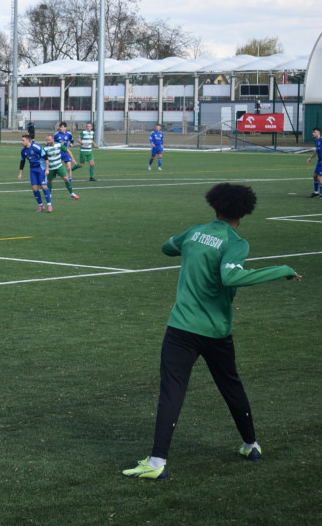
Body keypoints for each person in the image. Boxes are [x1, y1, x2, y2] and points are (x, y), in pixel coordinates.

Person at [123, 183, 301, 481]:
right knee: (231, 386)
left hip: (181, 327)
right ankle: (251, 446)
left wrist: (191, 246)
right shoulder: (236, 242)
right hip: (217, 330)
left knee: (172, 391)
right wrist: (283, 270)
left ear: (215, 207)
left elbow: (168, 247)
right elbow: (231, 276)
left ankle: (157, 462)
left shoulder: (195, 232)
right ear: (243, 213)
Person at [18, 133, 52, 212]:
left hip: (41, 168)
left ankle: (49, 205)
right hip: (33, 169)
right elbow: (22, 162)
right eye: (21, 140)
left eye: (23, 140)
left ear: (28, 140)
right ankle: (41, 206)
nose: (21, 142)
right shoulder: (23, 151)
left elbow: (46, 158)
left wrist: (47, 169)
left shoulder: (37, 147)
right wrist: (20, 173)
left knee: (44, 187)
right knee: (34, 188)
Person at [44, 134, 80, 200]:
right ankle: (50, 194)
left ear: (53, 139)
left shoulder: (59, 145)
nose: (47, 141)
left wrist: (73, 159)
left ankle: (72, 193)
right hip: (51, 168)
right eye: (47, 140)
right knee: (50, 181)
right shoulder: (45, 148)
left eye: (49, 140)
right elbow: (43, 159)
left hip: (59, 166)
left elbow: (68, 151)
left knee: (66, 179)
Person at [306, 127, 322, 197]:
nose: (313, 133)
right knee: (315, 176)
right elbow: (317, 151)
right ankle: (316, 193)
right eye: (313, 132)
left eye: (314, 132)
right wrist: (311, 158)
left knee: (320, 177)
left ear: (319, 132)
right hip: (319, 161)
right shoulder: (316, 140)